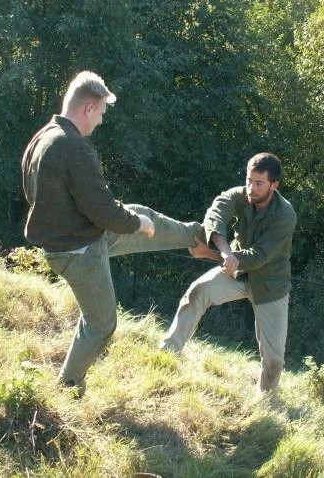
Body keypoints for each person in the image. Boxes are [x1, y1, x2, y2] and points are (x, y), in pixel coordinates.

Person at [21, 71, 204, 397]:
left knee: (144, 214)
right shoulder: (73, 147)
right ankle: (68, 389)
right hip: (77, 251)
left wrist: (137, 220)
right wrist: (135, 225)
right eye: (102, 112)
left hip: (80, 237)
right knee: (102, 325)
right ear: (89, 108)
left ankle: (199, 238)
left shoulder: (44, 137)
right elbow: (102, 209)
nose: (102, 121)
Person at [160, 153, 297, 395]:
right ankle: (167, 353)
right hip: (236, 274)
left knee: (274, 359)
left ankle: (266, 402)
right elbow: (217, 212)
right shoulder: (241, 195)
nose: (250, 188)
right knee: (198, 291)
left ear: (274, 185)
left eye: (259, 183)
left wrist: (209, 254)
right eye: (248, 180)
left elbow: (256, 258)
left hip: (270, 286)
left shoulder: (285, 216)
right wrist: (224, 251)